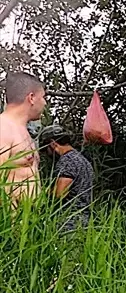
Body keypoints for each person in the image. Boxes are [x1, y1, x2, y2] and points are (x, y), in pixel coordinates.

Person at [0, 71, 46, 202]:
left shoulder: (23, 131)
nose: (44, 103)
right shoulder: (3, 128)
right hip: (11, 220)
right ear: (31, 97)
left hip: (30, 219)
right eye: (43, 97)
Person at [47, 128, 94, 230]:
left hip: (69, 221)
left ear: (52, 144)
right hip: (85, 219)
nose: (47, 154)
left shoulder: (67, 161)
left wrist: (44, 194)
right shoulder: (83, 160)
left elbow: (60, 193)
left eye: (45, 150)